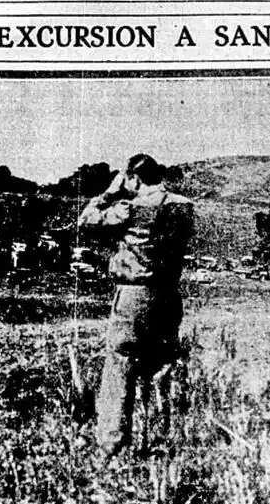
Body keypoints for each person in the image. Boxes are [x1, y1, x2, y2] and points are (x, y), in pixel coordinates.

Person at [77, 153, 194, 456]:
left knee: (120, 364)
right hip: (168, 296)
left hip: (134, 296)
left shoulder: (128, 208)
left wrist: (109, 193)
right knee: (162, 366)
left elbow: (86, 221)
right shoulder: (182, 206)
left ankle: (111, 444)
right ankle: (162, 437)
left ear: (134, 178)